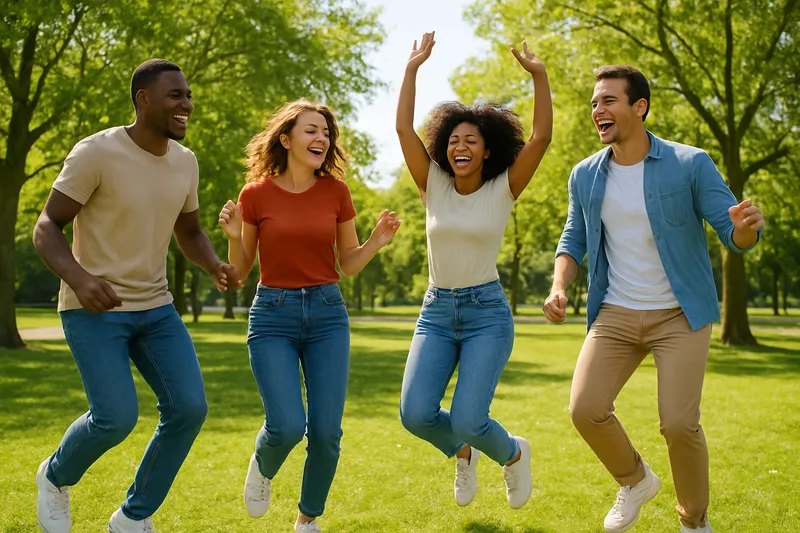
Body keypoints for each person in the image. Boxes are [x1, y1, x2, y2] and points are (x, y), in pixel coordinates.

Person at [544, 64, 764, 533]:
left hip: (679, 315)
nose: (597, 111)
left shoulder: (691, 162)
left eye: (608, 101)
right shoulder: (584, 175)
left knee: (679, 425)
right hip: (616, 313)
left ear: (638, 106)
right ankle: (635, 480)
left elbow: (732, 232)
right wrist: (559, 286)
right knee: (585, 408)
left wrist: (744, 232)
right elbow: (573, 237)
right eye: (594, 103)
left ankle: (693, 522)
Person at [32, 59, 240, 533]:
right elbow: (46, 227)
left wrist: (212, 263)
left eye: (188, 95)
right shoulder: (96, 152)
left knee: (189, 408)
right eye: (175, 95)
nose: (187, 104)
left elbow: (189, 230)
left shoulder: (185, 162)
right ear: (143, 99)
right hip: (93, 308)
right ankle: (55, 475)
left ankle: (132, 517)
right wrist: (80, 278)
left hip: (157, 309)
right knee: (115, 418)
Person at [218, 98, 400, 533]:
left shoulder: (335, 191)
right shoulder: (255, 194)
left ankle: (307, 519)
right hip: (272, 315)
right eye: (311, 131)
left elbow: (348, 263)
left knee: (325, 432)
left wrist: (375, 241)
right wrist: (230, 236)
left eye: (326, 133)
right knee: (285, 426)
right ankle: (263, 466)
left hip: (327, 315)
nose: (322, 138)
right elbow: (240, 271)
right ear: (286, 139)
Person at [395, 31, 552, 509]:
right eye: (454, 140)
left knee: (468, 416)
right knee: (415, 414)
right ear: (445, 148)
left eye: (472, 141)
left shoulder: (504, 187)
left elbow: (542, 137)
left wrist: (538, 76)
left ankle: (511, 453)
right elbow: (404, 132)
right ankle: (463, 450)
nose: (461, 146)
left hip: (486, 311)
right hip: (437, 311)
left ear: (487, 151)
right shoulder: (434, 184)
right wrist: (411, 69)